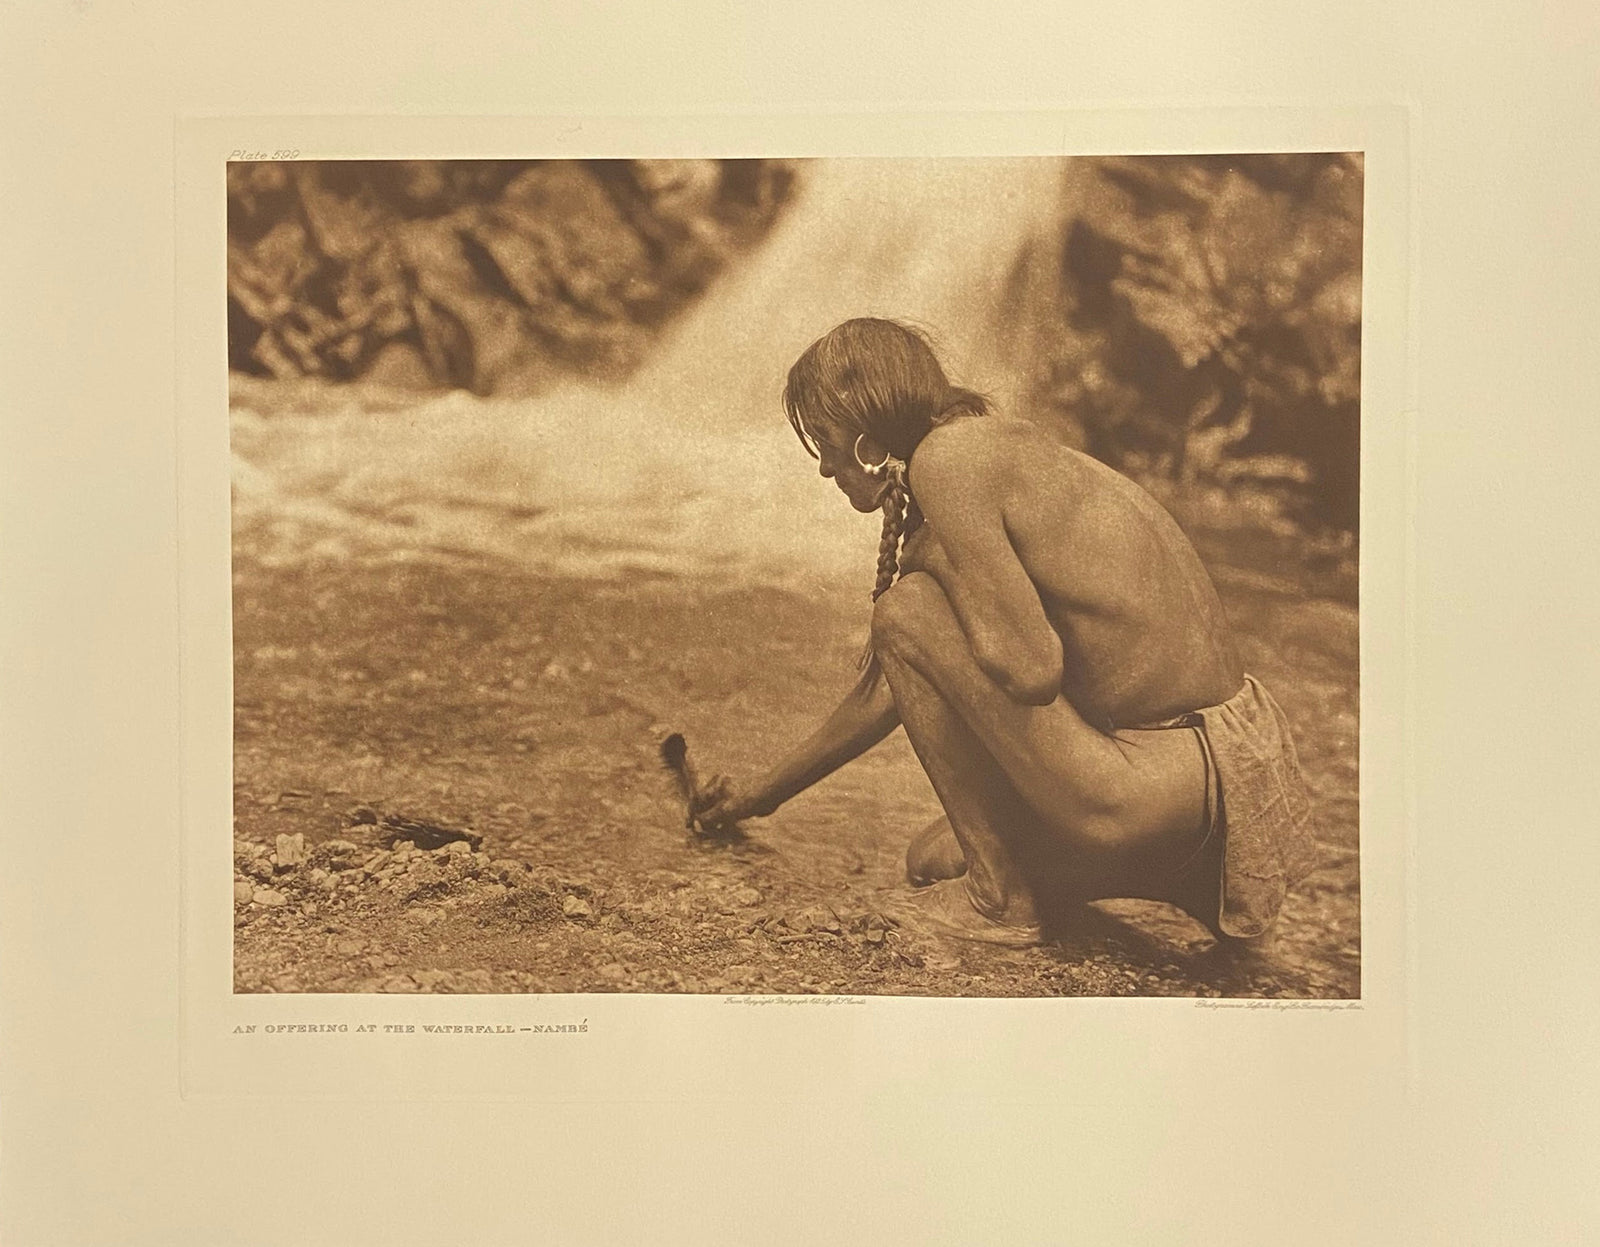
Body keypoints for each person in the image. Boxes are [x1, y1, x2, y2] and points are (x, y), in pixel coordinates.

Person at [695, 318, 1318, 947]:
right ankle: (1052, 881)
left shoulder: (950, 461)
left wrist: (932, 561)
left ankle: (998, 902)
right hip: (1222, 804)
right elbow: (887, 690)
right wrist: (757, 797)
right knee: (931, 857)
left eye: (823, 440)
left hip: (1159, 786)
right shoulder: (996, 452)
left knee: (907, 609)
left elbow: (1030, 667)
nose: (825, 467)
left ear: (864, 435)